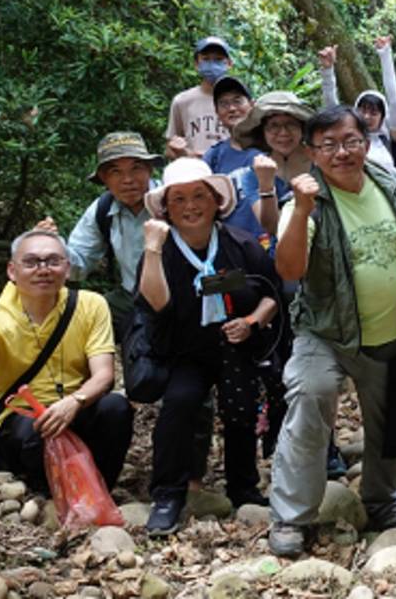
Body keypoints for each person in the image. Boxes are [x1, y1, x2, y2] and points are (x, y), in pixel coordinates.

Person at [267, 106, 396, 557]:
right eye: (328, 145)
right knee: (311, 394)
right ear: (311, 153)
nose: (341, 152)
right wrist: (302, 211)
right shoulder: (304, 201)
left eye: (350, 141)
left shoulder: (391, 182)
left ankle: (382, 498)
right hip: (326, 332)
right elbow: (289, 269)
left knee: (393, 417)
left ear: (366, 141)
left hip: (390, 329)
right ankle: (291, 516)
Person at [136, 158, 282, 534]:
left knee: (241, 409)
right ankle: (168, 494)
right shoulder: (162, 249)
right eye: (179, 198)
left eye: (199, 195)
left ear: (216, 200)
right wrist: (152, 249)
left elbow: (272, 294)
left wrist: (251, 323)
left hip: (236, 349)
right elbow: (155, 302)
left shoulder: (240, 244)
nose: (190, 206)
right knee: (180, 403)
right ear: (166, 208)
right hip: (185, 352)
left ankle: (243, 488)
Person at [0, 231, 133, 494]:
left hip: (75, 407)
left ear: (67, 268)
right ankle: (49, 493)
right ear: (12, 271)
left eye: (53, 261)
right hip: (21, 417)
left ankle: (99, 490)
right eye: (31, 262)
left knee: (116, 407)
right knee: (33, 432)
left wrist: (75, 401)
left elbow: (104, 374)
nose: (43, 269)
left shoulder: (90, 304)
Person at [35, 132, 163, 341]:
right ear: (104, 178)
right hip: (131, 295)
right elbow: (77, 267)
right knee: (71, 324)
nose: (128, 180)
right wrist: (53, 245)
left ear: (150, 170)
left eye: (136, 168)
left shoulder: (173, 198)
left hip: (180, 294)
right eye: (116, 172)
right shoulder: (103, 209)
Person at [230, 92, 316, 245]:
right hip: (281, 252)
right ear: (262, 132)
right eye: (273, 126)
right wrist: (266, 185)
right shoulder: (252, 175)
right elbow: (271, 227)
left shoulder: (320, 163)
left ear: (302, 129)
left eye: (291, 124)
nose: (283, 132)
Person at [319, 37, 396, 170]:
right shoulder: (347, 135)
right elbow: (331, 109)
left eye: (374, 112)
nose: (367, 116)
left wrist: (385, 55)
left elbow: (394, 101)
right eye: (363, 111)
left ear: (382, 117)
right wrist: (327, 71)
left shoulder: (390, 137)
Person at [166, 36, 233, 159]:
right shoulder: (182, 101)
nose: (212, 65)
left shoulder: (238, 104)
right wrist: (186, 153)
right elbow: (169, 150)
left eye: (218, 59)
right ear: (197, 64)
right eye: (206, 59)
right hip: (193, 169)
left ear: (229, 64)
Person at [203, 77, 260, 176]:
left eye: (237, 101)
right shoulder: (214, 156)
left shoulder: (273, 144)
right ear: (217, 112)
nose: (232, 109)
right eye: (224, 104)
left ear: (252, 105)